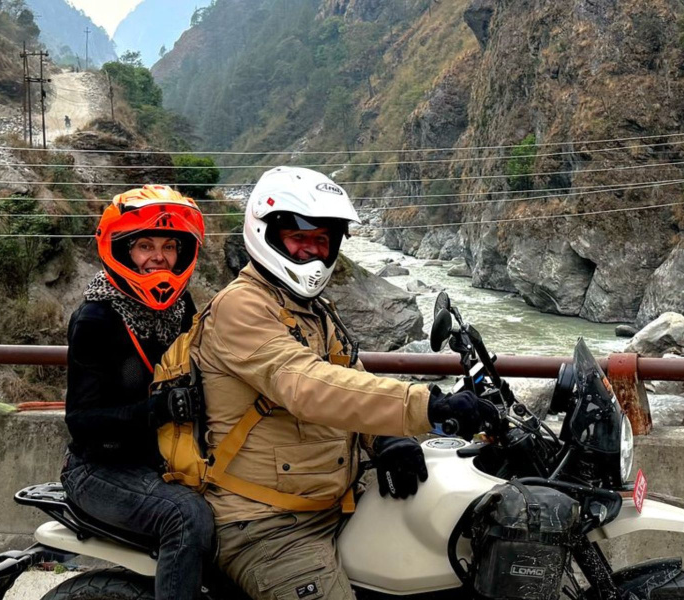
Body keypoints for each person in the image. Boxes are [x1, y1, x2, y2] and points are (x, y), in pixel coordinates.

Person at [190, 166, 498, 600]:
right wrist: (428, 404)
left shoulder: (311, 309)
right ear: (267, 234)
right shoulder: (240, 308)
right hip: (267, 522)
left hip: (330, 500)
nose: (312, 253)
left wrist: (382, 439)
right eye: (299, 238)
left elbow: (350, 379)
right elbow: (308, 385)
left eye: (322, 241)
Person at [62, 185, 215, 600]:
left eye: (169, 245)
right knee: (187, 517)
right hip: (102, 469)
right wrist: (159, 409)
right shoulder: (98, 317)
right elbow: (81, 422)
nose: (158, 257)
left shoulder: (180, 307)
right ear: (122, 250)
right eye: (144, 245)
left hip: (162, 458)